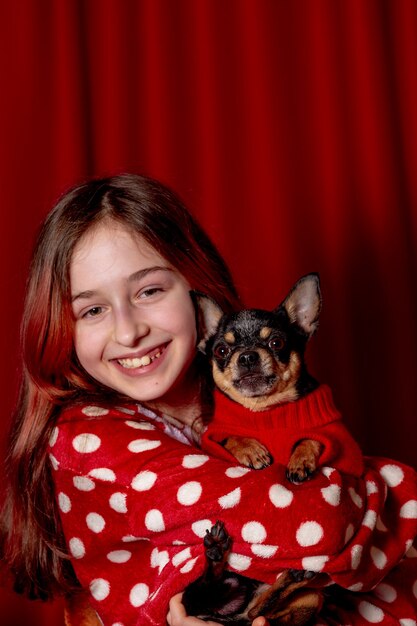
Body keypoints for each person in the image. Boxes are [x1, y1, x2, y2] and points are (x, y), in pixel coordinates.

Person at [1, 174, 416, 626]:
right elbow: (318, 524)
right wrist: (387, 492)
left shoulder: (240, 398)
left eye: (149, 291)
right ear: (61, 325)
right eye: (93, 309)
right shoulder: (87, 436)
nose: (128, 331)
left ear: (200, 295)